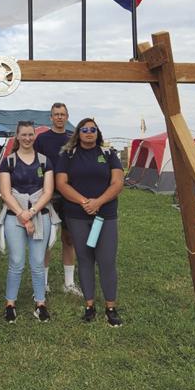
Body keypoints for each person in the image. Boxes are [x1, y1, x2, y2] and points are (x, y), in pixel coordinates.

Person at [55, 117, 125, 327]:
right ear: (78, 132)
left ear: (97, 133)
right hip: (77, 215)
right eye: (84, 129)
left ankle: (111, 307)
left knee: (106, 261)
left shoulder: (108, 154)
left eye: (92, 129)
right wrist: (85, 202)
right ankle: (89, 305)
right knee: (85, 259)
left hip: (105, 215)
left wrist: (99, 202)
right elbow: (61, 183)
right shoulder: (68, 155)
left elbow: (118, 182)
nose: (88, 132)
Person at [0, 121, 54, 322]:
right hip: (14, 216)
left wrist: (30, 212)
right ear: (18, 136)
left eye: (31, 134)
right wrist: (22, 214)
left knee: (38, 262)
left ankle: (40, 303)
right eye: (24, 135)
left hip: (40, 215)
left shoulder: (44, 161)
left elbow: (48, 192)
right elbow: (6, 193)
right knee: (16, 262)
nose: (28, 138)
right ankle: (10, 303)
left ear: (34, 136)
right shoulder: (9, 161)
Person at [35, 102, 79, 295]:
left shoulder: (74, 139)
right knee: (46, 240)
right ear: (51, 117)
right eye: (56, 114)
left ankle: (68, 283)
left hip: (69, 195)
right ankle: (44, 283)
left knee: (68, 239)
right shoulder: (42, 139)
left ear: (67, 116)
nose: (59, 117)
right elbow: (35, 164)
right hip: (48, 195)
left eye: (62, 114)